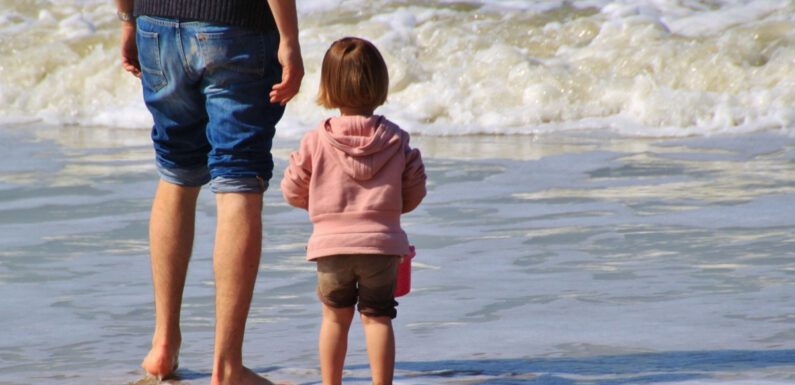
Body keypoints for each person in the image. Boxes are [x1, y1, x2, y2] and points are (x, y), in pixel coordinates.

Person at [114, 1, 303, 384]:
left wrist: (128, 20)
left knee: (175, 172)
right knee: (238, 180)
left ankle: (163, 347)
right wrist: (289, 39)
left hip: (157, 23)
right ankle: (227, 365)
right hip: (236, 25)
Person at [281, 37, 426, 385]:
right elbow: (414, 193)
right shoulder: (397, 139)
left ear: (328, 86)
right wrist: (390, 212)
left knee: (334, 318)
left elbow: (291, 190)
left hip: (330, 247)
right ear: (380, 83)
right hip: (382, 246)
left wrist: (319, 206)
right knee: (378, 318)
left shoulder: (316, 140)